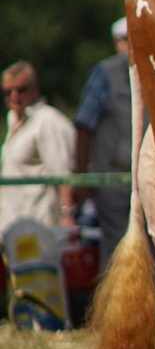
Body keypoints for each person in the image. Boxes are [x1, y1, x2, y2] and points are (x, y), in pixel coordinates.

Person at [73, 17, 135, 264]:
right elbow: (84, 126)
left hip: (149, 180)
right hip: (112, 181)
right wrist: (82, 178)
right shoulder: (105, 74)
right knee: (117, 252)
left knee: (154, 251)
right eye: (125, 40)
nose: (129, 46)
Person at [2, 62, 81, 237]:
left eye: (21, 90)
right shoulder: (12, 119)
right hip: (11, 224)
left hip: (38, 225)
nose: (14, 96)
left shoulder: (48, 121)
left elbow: (63, 175)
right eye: (8, 92)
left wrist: (67, 216)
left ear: (34, 89)